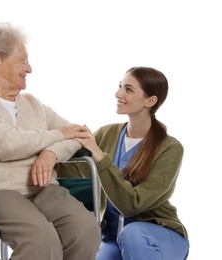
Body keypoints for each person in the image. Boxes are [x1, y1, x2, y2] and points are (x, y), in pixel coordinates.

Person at [0, 22, 101, 260]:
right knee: (39, 239)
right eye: (22, 60)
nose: (29, 68)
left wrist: (52, 154)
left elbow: (80, 134)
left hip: (40, 188)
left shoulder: (32, 104)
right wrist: (58, 135)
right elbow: (5, 144)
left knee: (85, 229)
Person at [55, 66, 189, 259]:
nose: (118, 93)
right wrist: (46, 154)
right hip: (113, 237)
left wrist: (100, 156)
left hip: (158, 236)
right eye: (120, 86)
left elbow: (131, 206)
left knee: (132, 234)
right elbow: (75, 170)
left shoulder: (170, 148)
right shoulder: (107, 133)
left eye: (128, 89)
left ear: (150, 101)